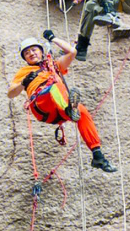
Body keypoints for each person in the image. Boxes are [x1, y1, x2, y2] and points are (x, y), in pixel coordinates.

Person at [8, 34, 115, 172]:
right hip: (42, 104)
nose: (31, 53)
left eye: (34, 50)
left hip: (59, 107)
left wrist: (53, 38)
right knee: (54, 86)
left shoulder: (54, 65)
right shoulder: (23, 72)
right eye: (27, 53)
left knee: (82, 112)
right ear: (25, 58)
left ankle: (97, 155)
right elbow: (11, 93)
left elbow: (72, 52)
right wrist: (24, 82)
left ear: (41, 51)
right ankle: (69, 110)